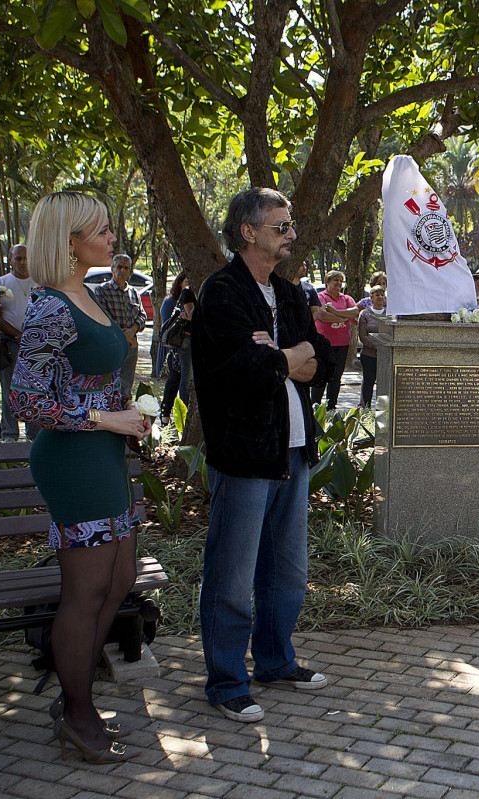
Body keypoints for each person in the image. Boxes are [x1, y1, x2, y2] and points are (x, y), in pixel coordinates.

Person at [9, 191, 150, 761]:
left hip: (105, 455)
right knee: (86, 591)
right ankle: (77, 712)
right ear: (70, 241)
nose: (113, 237)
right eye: (101, 230)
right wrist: (99, 416)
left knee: (118, 581)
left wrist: (128, 416)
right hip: (72, 461)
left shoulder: (88, 296)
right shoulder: (49, 308)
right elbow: (23, 399)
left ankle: (78, 697)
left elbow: (92, 379)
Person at [191, 187, 334, 723]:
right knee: (231, 575)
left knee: (287, 571)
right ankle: (227, 681)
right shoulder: (222, 293)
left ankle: (275, 661)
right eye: (281, 226)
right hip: (244, 454)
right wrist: (283, 358)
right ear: (248, 232)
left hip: (293, 450)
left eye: (291, 225)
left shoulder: (290, 294)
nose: (291, 234)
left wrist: (279, 354)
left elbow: (319, 360)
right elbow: (237, 374)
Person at [0, 244, 37, 440]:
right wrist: (17, 334)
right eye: (18, 259)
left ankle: (33, 435)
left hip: (34, 345)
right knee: (10, 390)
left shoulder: (39, 282)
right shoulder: (0, 284)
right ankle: (10, 434)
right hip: (10, 344)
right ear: (10, 260)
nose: (23, 263)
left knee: (32, 390)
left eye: (26, 258)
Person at [93, 254, 147, 401]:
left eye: (126, 268)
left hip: (131, 346)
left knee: (127, 386)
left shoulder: (133, 292)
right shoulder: (102, 290)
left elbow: (142, 316)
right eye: (119, 267)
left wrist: (133, 330)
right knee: (109, 384)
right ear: (112, 269)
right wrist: (124, 336)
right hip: (113, 345)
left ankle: (125, 411)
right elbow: (103, 316)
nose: (122, 270)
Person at [312, 270, 359, 410]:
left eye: (341, 281)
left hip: (342, 344)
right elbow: (323, 316)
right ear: (327, 282)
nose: (339, 283)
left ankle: (331, 406)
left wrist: (335, 311)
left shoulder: (346, 299)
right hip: (324, 343)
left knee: (336, 377)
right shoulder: (320, 297)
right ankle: (315, 406)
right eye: (335, 280)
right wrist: (345, 317)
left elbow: (355, 312)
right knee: (321, 375)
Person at [159, 274, 196, 425]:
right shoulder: (187, 293)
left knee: (184, 378)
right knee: (183, 379)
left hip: (198, 339)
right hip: (186, 340)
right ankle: (182, 415)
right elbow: (192, 315)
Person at [356, 284, 386, 408]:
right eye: (377, 295)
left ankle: (383, 409)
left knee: (384, 383)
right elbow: (363, 336)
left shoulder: (390, 314)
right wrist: (378, 347)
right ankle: (366, 408)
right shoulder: (365, 314)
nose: (380, 297)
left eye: (382, 295)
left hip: (385, 356)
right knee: (368, 382)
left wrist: (384, 349)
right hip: (368, 355)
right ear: (371, 298)